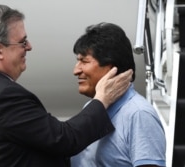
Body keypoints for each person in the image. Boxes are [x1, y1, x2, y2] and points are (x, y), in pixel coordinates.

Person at [0, 5, 133, 167]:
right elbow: (65, 139)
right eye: (22, 42)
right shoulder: (3, 96)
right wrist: (102, 100)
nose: (29, 47)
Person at [70, 22, 166, 167]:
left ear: (111, 68)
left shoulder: (138, 114)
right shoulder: (91, 107)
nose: (76, 70)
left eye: (84, 61)